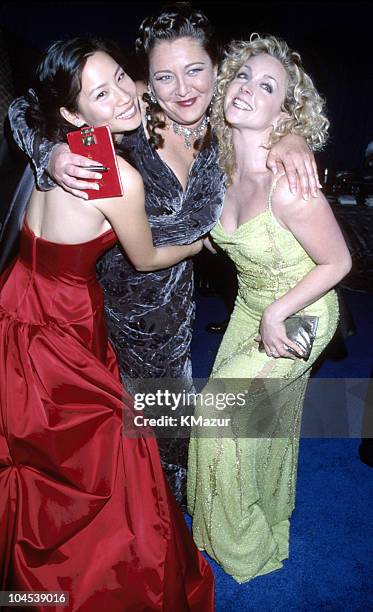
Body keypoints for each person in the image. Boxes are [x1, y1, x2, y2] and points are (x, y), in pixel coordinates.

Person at [7, 2, 321, 509]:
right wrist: (52, 150)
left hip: (167, 315)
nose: (183, 89)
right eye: (164, 76)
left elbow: (280, 108)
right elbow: (25, 106)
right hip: (95, 307)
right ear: (147, 78)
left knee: (167, 430)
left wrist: (292, 138)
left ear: (217, 69)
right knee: (89, 443)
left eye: (196, 70)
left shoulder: (231, 123)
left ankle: (160, 525)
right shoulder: (132, 110)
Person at [0, 38, 215, 611]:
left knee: (36, 456)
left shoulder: (72, 144)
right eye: (102, 91)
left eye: (122, 75)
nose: (124, 94)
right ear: (72, 113)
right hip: (65, 320)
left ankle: (24, 593)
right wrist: (195, 244)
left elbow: (28, 109)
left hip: (17, 300)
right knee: (114, 457)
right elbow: (145, 257)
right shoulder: (115, 174)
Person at [187, 34, 352, 583]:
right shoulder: (219, 166)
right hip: (251, 304)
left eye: (267, 86)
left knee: (219, 418)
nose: (247, 89)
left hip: (302, 308)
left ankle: (245, 546)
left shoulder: (290, 183)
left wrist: (278, 312)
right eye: (241, 77)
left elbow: (338, 263)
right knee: (257, 419)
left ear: (285, 113)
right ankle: (243, 509)